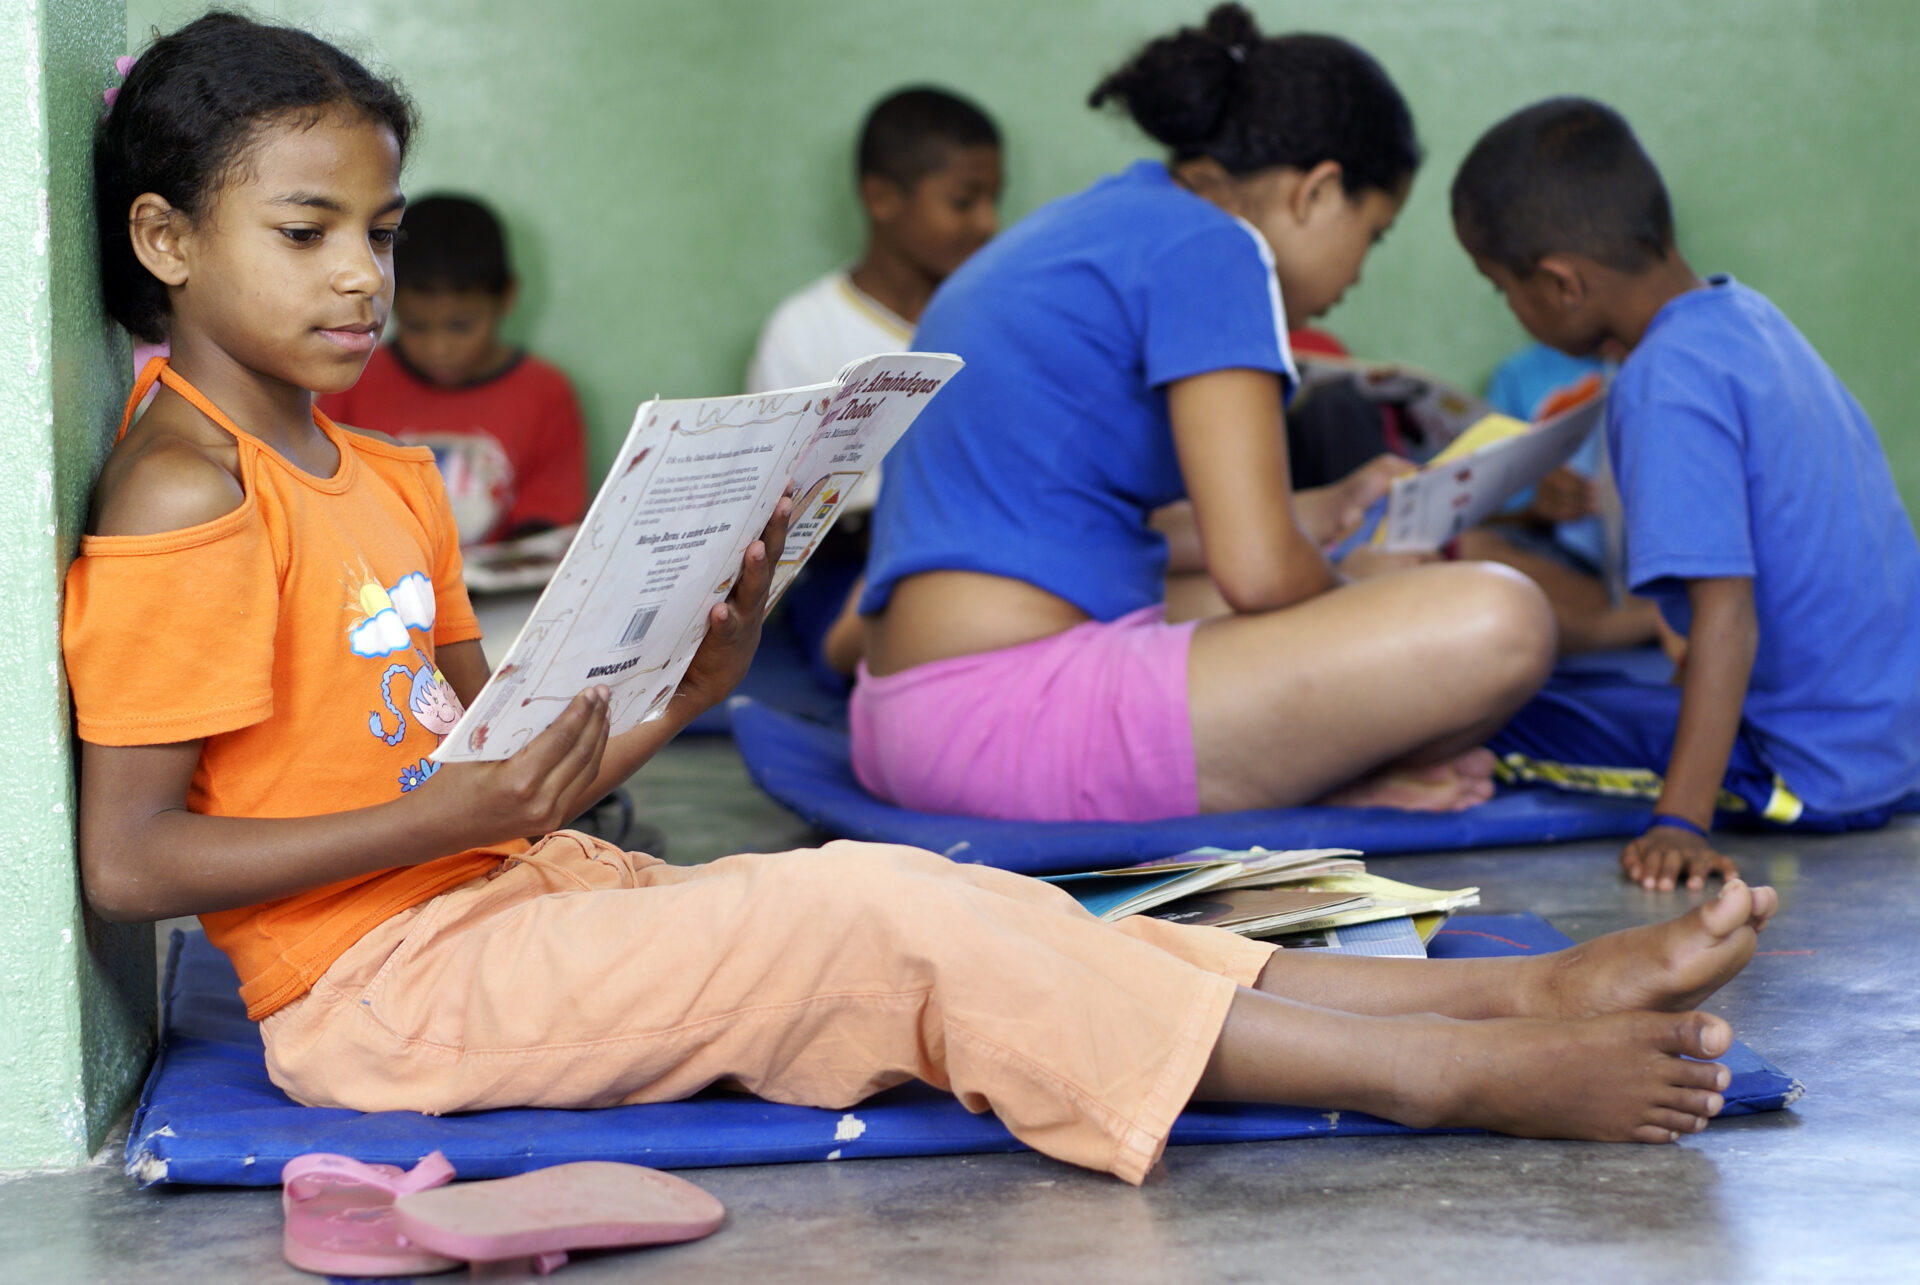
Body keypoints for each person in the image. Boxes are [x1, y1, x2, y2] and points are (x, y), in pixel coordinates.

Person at [70, 12, 1775, 1189]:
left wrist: (687, 691)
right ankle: (1454, 1075)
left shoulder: (379, 481)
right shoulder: (185, 481)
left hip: (510, 894)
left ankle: (1494, 995)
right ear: (163, 239)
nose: (364, 274)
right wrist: (463, 808)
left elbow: (498, 766)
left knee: (954, 903)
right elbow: (132, 859)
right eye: (308, 233)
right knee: (887, 926)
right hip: (386, 1001)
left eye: (378, 225)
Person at [856, 5, 1555, 825]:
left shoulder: (1100, 224)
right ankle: (1314, 777)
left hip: (901, 712)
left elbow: (1091, 521)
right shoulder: (1217, 246)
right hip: (1011, 717)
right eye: (1374, 233)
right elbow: (1257, 572)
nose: (1360, 272)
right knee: (1502, 616)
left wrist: (1322, 512)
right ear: (1319, 190)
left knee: (1382, 582)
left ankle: (1310, 772)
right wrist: (1353, 606)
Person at [1452, 97, 1920, 891]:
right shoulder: (1749, 316)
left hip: (1804, 773)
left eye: (1502, 287)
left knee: (1481, 722)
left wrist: (1680, 820)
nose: (1510, 307)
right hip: (1889, 740)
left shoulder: (1661, 381)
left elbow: (1726, 617)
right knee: (1578, 691)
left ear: (1562, 282)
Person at [747, 86, 1004, 681]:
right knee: (913, 616)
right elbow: (780, 506)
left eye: (994, 199)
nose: (988, 223)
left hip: (982, 544)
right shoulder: (805, 331)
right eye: (965, 202)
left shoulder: (995, 320)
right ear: (882, 198)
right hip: (847, 566)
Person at [318, 193, 587, 545]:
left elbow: (548, 520)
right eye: (416, 326)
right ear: (386, 297)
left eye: (460, 326)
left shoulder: (545, 392)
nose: (439, 348)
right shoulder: (352, 379)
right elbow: (320, 496)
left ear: (506, 297)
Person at [1453, 342, 1666, 654]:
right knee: (1464, 550)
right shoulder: (1520, 375)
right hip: (1568, 565)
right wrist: (1535, 512)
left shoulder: (1673, 370)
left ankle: (1639, 618)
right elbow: (1483, 511)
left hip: (1665, 565)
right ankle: (1643, 620)